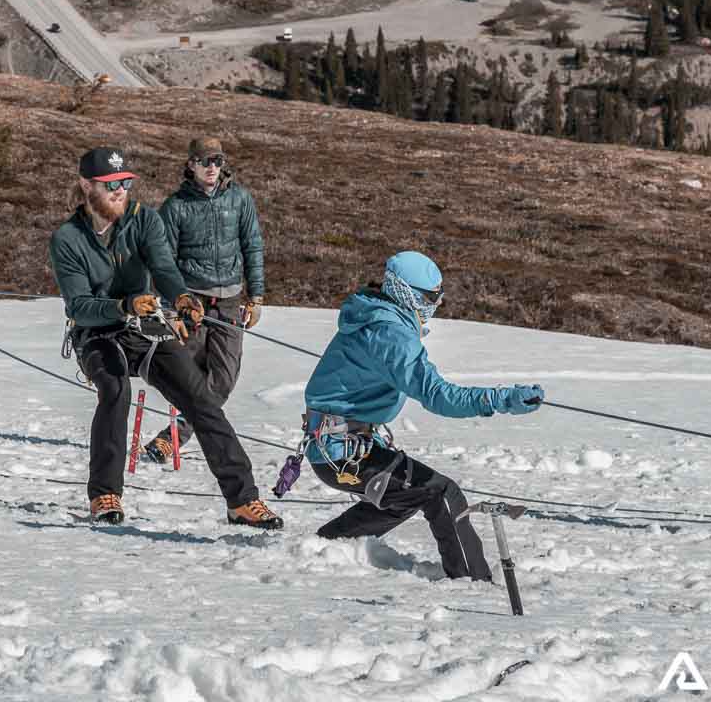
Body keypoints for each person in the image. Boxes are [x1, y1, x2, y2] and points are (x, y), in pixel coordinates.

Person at [48, 146, 283, 529]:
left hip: (144, 329)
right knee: (115, 391)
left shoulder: (144, 221)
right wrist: (124, 305)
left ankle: (242, 501)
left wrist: (183, 298)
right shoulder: (68, 239)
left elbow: (164, 268)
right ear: (86, 186)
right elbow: (79, 307)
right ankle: (105, 493)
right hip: (97, 333)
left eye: (125, 182)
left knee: (202, 400)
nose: (121, 190)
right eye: (110, 185)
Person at [301, 251, 543, 581]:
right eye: (430, 297)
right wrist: (502, 399)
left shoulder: (377, 316)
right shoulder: (390, 335)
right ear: (406, 293)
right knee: (440, 492)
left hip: (342, 446)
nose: (436, 304)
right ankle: (472, 580)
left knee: (406, 496)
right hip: (340, 451)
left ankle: (327, 545)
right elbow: (438, 396)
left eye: (439, 296)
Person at [142, 135, 265, 464]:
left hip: (229, 301)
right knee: (191, 377)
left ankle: (175, 434)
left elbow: (252, 247)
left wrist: (256, 297)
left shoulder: (240, 199)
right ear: (190, 164)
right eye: (205, 161)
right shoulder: (175, 206)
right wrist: (170, 306)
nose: (212, 167)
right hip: (191, 302)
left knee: (223, 377)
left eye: (217, 161)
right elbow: (163, 261)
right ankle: (174, 439)